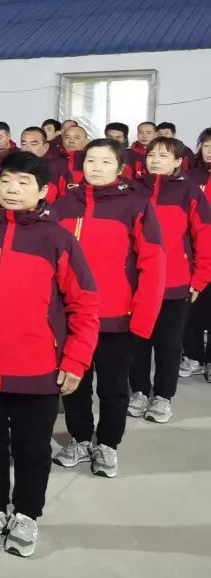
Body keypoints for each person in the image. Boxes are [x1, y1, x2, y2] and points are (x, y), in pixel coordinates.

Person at [0, 151, 100, 558]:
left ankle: (27, 514)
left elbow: (84, 305)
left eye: (23, 182)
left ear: (44, 190)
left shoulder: (58, 240)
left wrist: (76, 360)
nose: (12, 189)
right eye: (6, 181)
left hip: (37, 368)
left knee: (32, 449)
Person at [52, 139, 165, 478]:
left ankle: (108, 444)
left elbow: (153, 264)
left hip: (117, 318)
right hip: (72, 317)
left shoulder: (136, 206)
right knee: (73, 383)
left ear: (120, 168)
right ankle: (80, 438)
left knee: (113, 387)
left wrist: (142, 319)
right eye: (91, 160)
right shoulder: (63, 205)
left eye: (105, 161)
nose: (96, 167)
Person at [129, 137, 211, 422]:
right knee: (137, 342)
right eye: (152, 154)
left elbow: (205, 236)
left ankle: (163, 396)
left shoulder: (189, 193)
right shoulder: (133, 189)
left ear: (178, 161)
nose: (155, 160)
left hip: (175, 283)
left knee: (169, 343)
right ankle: (139, 391)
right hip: (137, 283)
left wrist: (200, 278)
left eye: (164, 156)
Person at [181, 127, 211, 378]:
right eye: (207, 146)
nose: (210, 151)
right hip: (194, 248)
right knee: (193, 306)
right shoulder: (191, 176)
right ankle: (193, 357)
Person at [58, 123, 89, 189]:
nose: (71, 141)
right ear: (63, 141)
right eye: (67, 137)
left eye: (76, 138)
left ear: (86, 142)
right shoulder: (55, 161)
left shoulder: (90, 161)